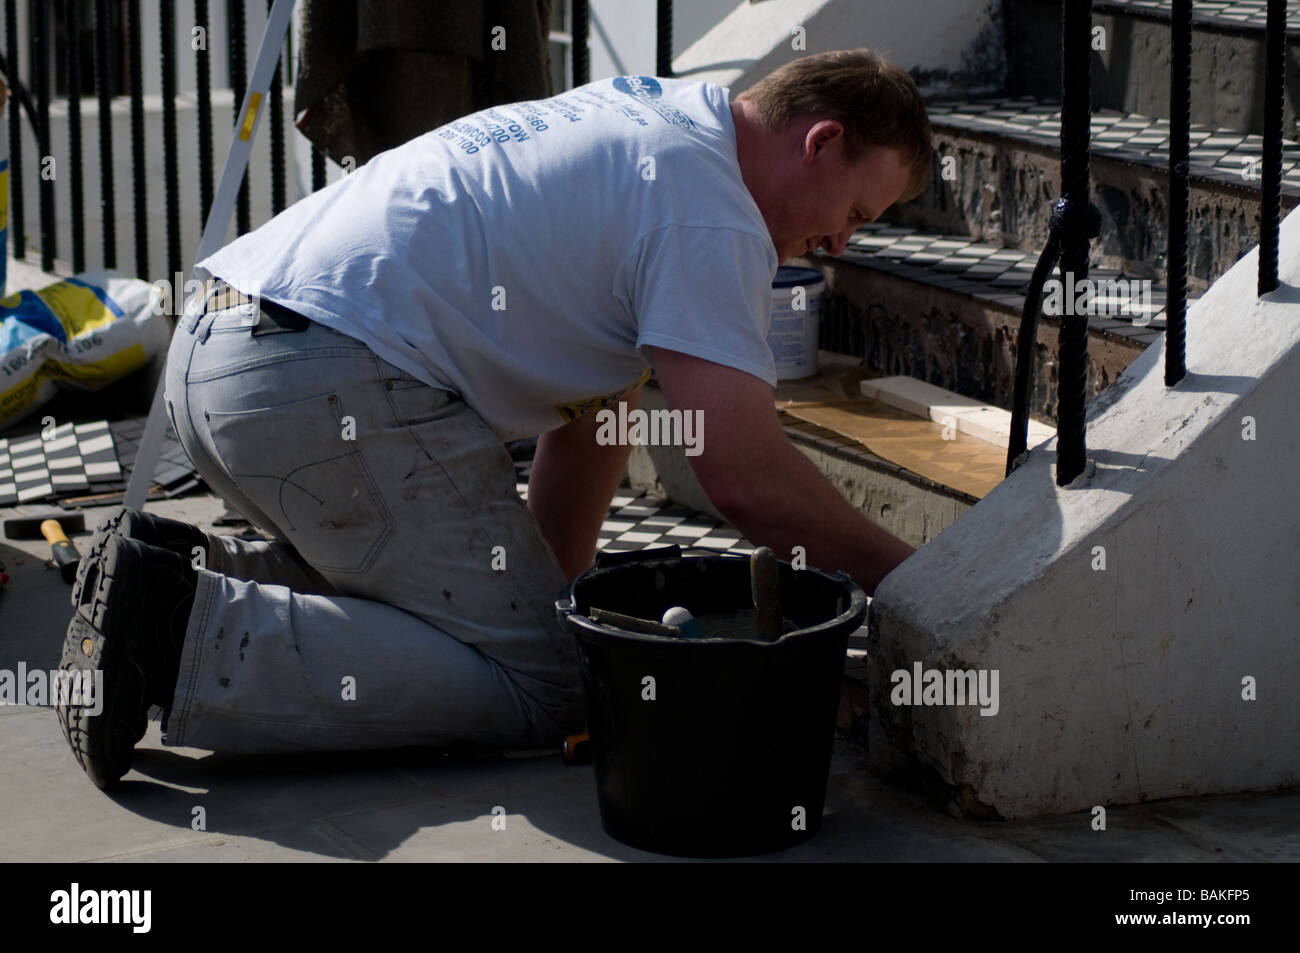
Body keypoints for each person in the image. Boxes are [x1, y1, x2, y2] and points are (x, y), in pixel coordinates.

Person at [57, 48, 932, 788]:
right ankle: (178, 639)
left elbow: (594, 418)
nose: (842, 244)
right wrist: (922, 583)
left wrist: (549, 601)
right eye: (855, 213)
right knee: (554, 688)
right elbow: (744, 477)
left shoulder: (657, 120)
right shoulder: (711, 212)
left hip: (226, 352)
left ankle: (176, 573)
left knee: (524, 633)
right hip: (321, 382)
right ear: (821, 141)